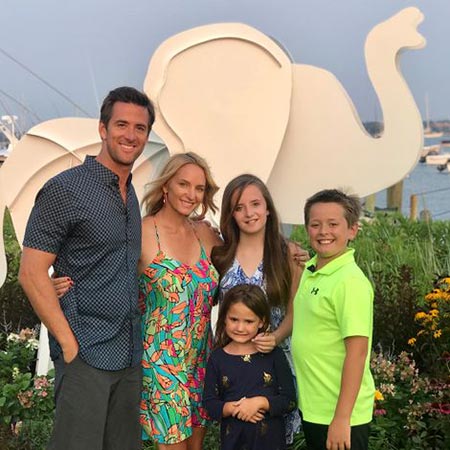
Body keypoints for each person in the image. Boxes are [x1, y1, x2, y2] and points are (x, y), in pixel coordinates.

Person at [18, 86, 155, 450]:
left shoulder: (130, 194)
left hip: (129, 354)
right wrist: (68, 344)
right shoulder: (65, 189)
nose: (130, 135)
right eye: (121, 124)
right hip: (86, 353)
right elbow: (31, 272)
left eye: (140, 128)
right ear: (102, 128)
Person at [211, 173, 304, 443]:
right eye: (239, 207)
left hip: (273, 364)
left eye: (255, 204)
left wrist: (275, 337)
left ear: (268, 208)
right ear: (231, 215)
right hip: (232, 367)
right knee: (236, 435)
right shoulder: (220, 254)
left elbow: (295, 311)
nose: (249, 213)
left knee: (271, 437)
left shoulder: (288, 254)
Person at [138, 152, 222, 449]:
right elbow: (106, 272)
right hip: (161, 360)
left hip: (202, 359)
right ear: (166, 186)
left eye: (199, 188)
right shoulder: (143, 231)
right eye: (183, 184)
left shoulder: (205, 234)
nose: (191, 194)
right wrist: (60, 282)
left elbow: (247, 255)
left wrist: (288, 249)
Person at [291, 189, 375, 450]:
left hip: (339, 413)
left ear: (352, 230)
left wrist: (341, 418)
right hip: (315, 407)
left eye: (333, 224)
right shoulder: (311, 269)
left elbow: (357, 353)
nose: (323, 231)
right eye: (315, 224)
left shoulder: (350, 282)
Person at [203, 283, 297, 450]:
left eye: (248, 321)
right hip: (233, 442)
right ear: (224, 318)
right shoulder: (217, 358)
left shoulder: (274, 355)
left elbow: (289, 401)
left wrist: (260, 403)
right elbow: (209, 403)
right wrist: (234, 408)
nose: (240, 328)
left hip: (271, 443)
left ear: (262, 321)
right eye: (234, 319)